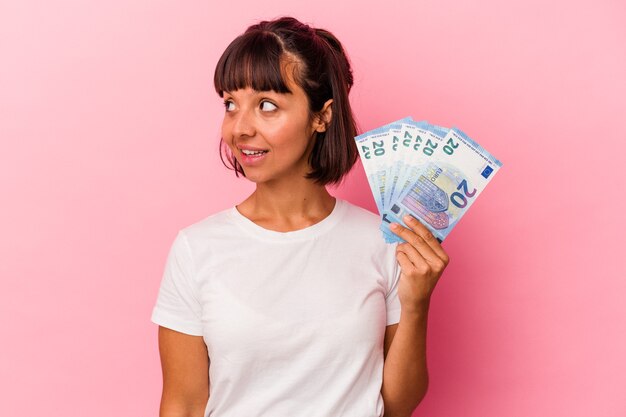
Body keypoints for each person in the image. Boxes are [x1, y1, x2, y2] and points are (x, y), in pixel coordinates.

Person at [151, 16, 449, 417]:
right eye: (230, 104)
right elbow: (183, 404)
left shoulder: (382, 242)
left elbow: (396, 404)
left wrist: (416, 305)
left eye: (267, 106)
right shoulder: (196, 248)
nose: (239, 128)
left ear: (321, 116)